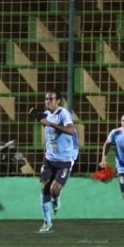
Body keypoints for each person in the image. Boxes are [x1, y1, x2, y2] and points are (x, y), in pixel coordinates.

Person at [37, 89, 79, 233]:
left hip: (65, 160)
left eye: (51, 99)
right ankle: (47, 221)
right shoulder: (46, 114)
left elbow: (70, 130)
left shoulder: (63, 113)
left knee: (54, 189)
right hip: (50, 158)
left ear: (58, 100)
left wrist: (50, 124)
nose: (48, 101)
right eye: (46, 99)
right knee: (44, 188)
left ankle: (56, 198)